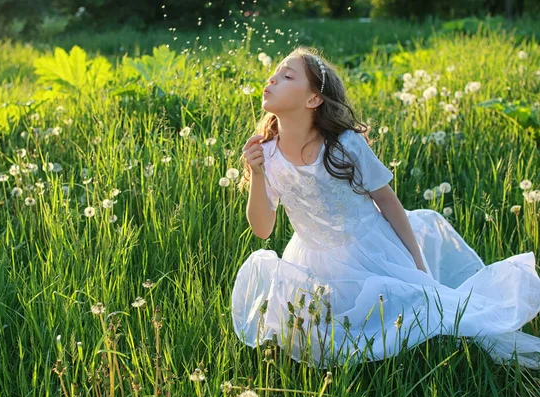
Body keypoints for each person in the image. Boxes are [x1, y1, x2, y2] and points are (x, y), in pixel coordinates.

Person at [231, 45, 540, 369]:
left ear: (313, 99)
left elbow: (388, 203)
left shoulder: (344, 146)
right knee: (334, 340)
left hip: (370, 250)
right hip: (311, 260)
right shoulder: (267, 152)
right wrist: (257, 174)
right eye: (276, 72)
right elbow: (263, 230)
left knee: (425, 313)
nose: (272, 78)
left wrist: (417, 265)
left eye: (287, 75)